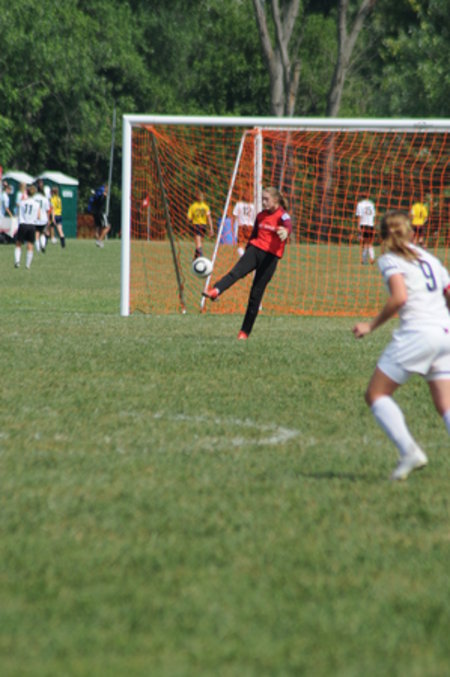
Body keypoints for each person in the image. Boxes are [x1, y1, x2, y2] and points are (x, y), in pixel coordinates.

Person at [352, 209, 450, 481]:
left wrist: (370, 326)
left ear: (383, 236)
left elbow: (399, 298)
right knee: (446, 404)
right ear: (410, 232)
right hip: (445, 334)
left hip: (418, 334)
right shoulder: (431, 259)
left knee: (376, 394)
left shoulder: (390, 259)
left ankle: (409, 451)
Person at [203, 186, 292, 340]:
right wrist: (248, 248)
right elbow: (254, 235)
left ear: (276, 200)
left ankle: (244, 332)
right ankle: (216, 290)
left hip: (270, 258)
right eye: (262, 199)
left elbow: (288, 224)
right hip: (255, 251)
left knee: (255, 295)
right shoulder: (260, 216)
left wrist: (286, 231)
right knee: (235, 273)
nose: (263, 202)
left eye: (266, 199)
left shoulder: (282, 215)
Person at [14, 185, 40, 270]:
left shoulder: (22, 202)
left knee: (18, 244)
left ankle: (17, 262)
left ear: (27, 193)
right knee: (30, 245)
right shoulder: (37, 204)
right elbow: (39, 216)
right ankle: (27, 265)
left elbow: (19, 213)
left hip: (23, 224)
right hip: (31, 225)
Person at [187, 191, 213, 260]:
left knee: (198, 244)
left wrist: (190, 220)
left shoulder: (192, 206)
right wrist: (211, 228)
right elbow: (209, 218)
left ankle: (201, 258)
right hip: (203, 226)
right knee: (199, 243)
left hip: (196, 226)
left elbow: (188, 218)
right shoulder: (205, 206)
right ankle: (195, 258)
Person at [356, 197, 376, 264]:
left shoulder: (360, 204)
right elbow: (373, 216)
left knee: (364, 243)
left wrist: (358, 226)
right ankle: (372, 258)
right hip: (371, 225)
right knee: (370, 243)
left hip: (363, 224)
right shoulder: (371, 204)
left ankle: (364, 260)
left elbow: (359, 215)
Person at [33, 180, 51, 252]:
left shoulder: (34, 197)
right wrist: (48, 219)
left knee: (36, 233)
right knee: (43, 233)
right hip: (44, 218)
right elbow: (47, 210)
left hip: (35, 218)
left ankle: (38, 249)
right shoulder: (45, 198)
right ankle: (43, 245)